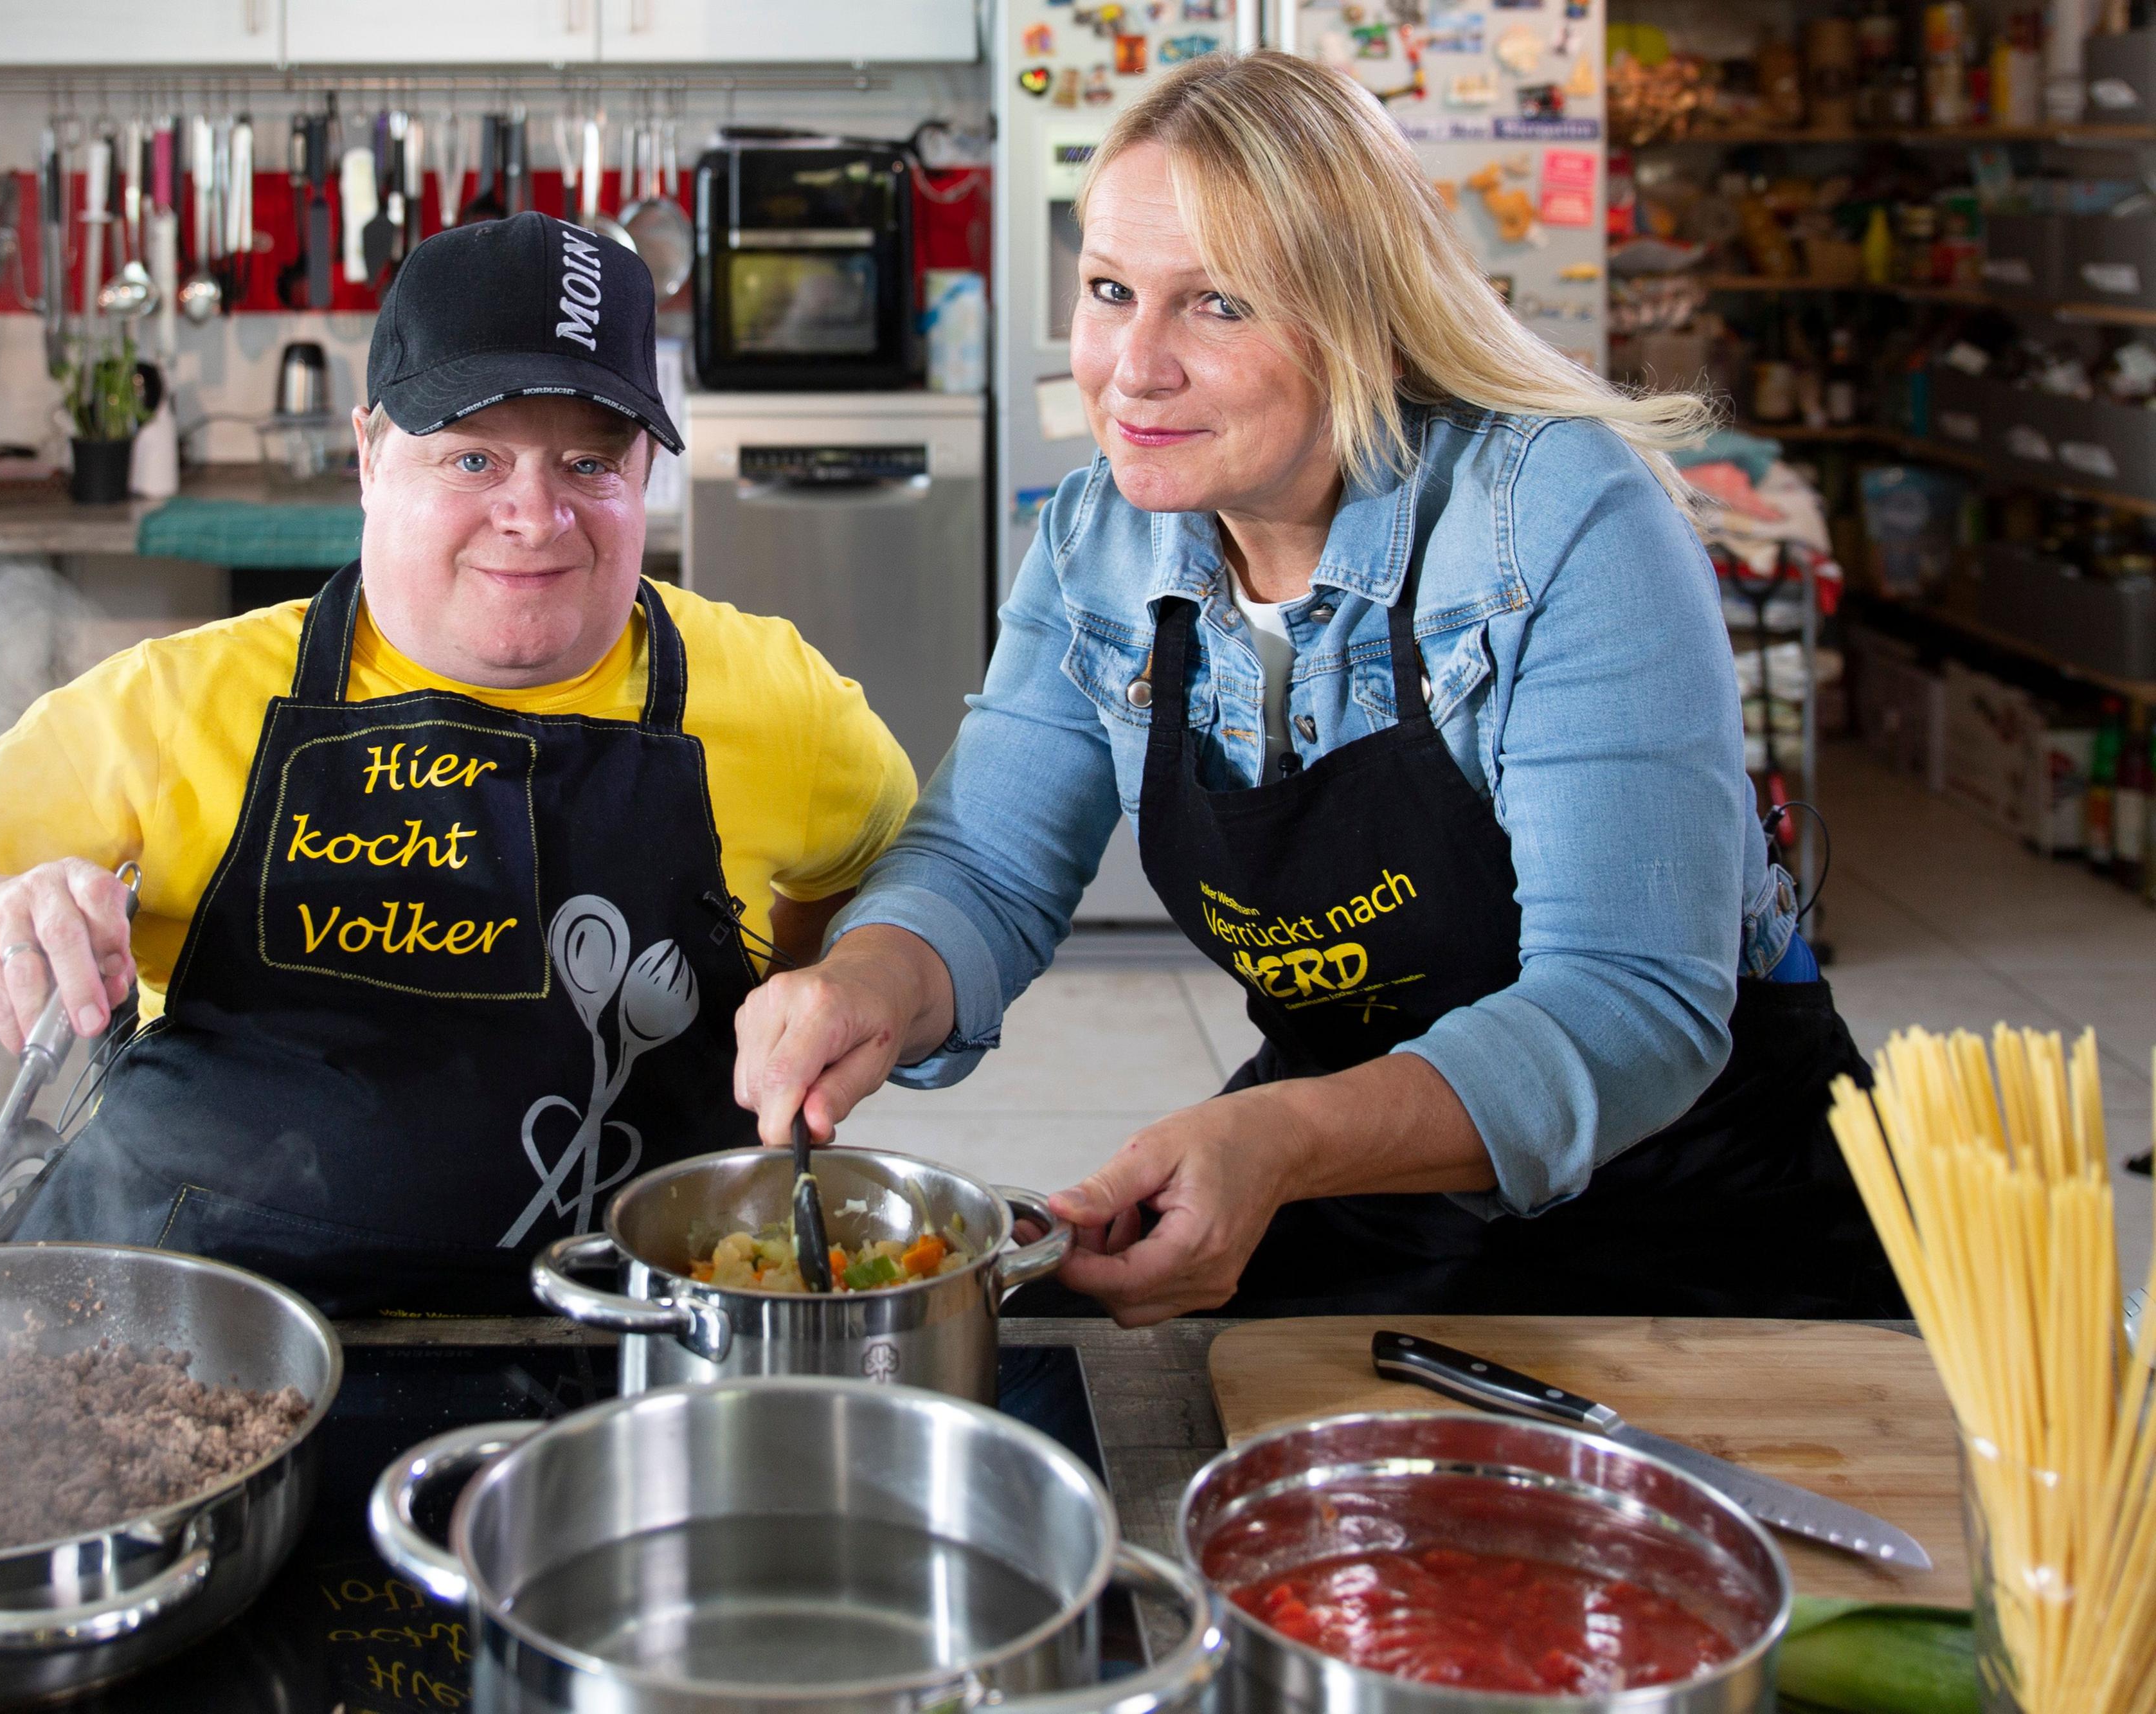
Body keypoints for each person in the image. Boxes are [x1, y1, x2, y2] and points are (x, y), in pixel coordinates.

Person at [732, 52, 1904, 1327]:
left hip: (1701, 1211)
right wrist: (872, 982)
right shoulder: (1099, 543)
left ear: (1359, 316)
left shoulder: (1556, 518)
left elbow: (1629, 1003)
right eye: (1110, 291)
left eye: (1215, 306)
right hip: (1342, 1163)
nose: (1131, 368)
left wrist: (1280, 1140)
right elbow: (983, 867)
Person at [0, 213, 916, 1314]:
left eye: (589, 460)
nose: (535, 515)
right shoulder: (192, 697)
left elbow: (917, 869)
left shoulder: (772, 694)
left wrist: (811, 993)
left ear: (643, 472)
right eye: (472, 456)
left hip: (637, 1350)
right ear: (370, 454)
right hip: (217, 1357)